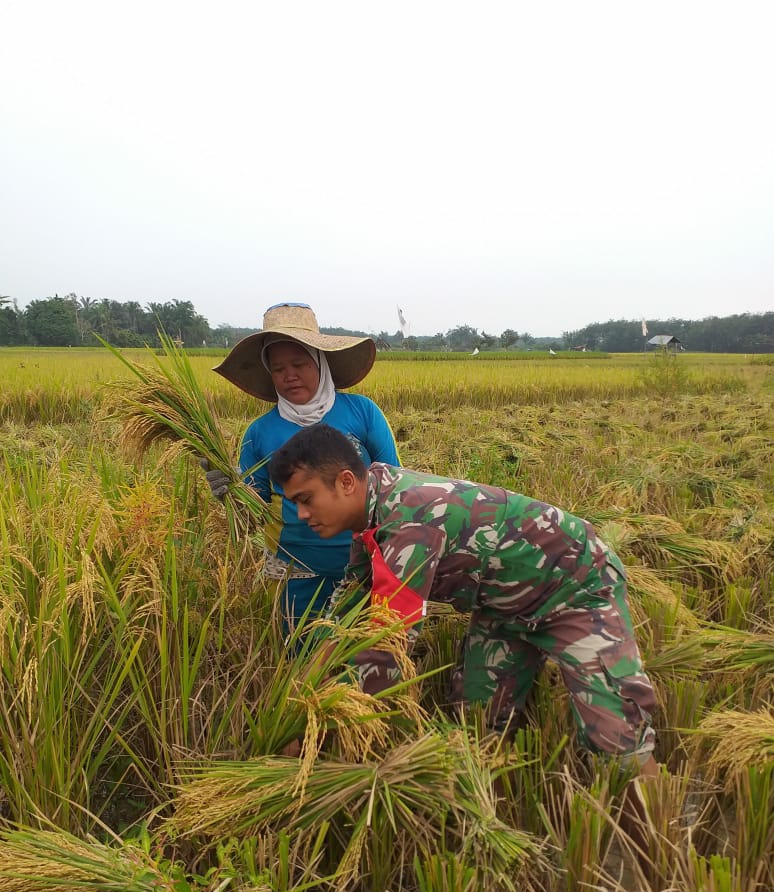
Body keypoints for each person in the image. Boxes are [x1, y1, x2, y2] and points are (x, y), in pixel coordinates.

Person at [267, 423, 659, 777]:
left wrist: (327, 724)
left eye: (306, 499)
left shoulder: (411, 522)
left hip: (574, 588)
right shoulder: (372, 514)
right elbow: (348, 612)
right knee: (477, 722)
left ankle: (655, 836)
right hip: (503, 607)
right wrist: (303, 690)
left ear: (347, 482)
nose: (300, 514)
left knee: (616, 737)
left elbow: (387, 644)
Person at [204, 303, 400, 628]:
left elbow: (393, 486)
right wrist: (231, 490)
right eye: (278, 368)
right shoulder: (260, 433)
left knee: (368, 660)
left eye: (299, 364)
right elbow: (253, 511)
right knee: (304, 659)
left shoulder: (363, 413)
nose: (289, 375)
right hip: (298, 570)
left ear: (321, 363)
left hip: (366, 564)